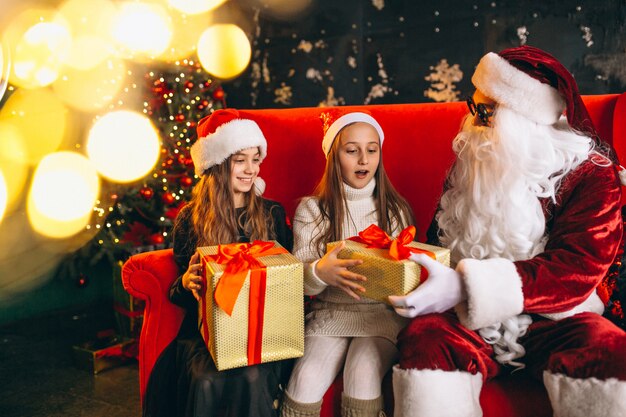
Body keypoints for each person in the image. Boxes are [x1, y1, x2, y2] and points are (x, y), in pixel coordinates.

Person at [389, 45, 626, 417]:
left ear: (524, 118)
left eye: (486, 112)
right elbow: (441, 239)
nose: (472, 123)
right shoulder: (476, 158)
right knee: (426, 339)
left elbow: (574, 270)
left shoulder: (591, 174)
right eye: (473, 106)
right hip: (469, 318)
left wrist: (466, 286)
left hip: (556, 319)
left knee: (609, 349)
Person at [143, 108, 294, 417]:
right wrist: (186, 283)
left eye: (256, 159)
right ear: (218, 164)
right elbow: (181, 288)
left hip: (261, 332)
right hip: (206, 331)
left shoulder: (272, 214)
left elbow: (290, 283)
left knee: (251, 376)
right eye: (240, 160)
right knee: (205, 379)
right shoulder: (191, 218)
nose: (251, 169)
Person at [280, 110, 415, 417]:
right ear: (334, 157)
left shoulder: (394, 210)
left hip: (381, 317)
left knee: (362, 374)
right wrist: (319, 271)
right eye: (352, 151)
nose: (363, 160)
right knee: (305, 378)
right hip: (329, 315)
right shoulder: (312, 210)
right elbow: (298, 279)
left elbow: (408, 275)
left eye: (371, 150)